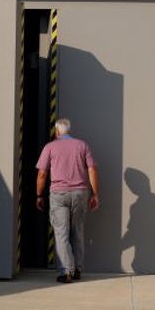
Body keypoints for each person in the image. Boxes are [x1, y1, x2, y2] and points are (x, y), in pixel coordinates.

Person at [36, 118, 100, 283]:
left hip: (58, 194)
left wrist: (39, 195)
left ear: (57, 131)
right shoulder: (82, 145)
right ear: (69, 130)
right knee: (77, 231)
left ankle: (66, 271)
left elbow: (42, 174)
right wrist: (95, 194)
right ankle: (77, 268)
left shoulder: (50, 147)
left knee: (61, 233)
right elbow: (92, 169)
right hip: (79, 193)